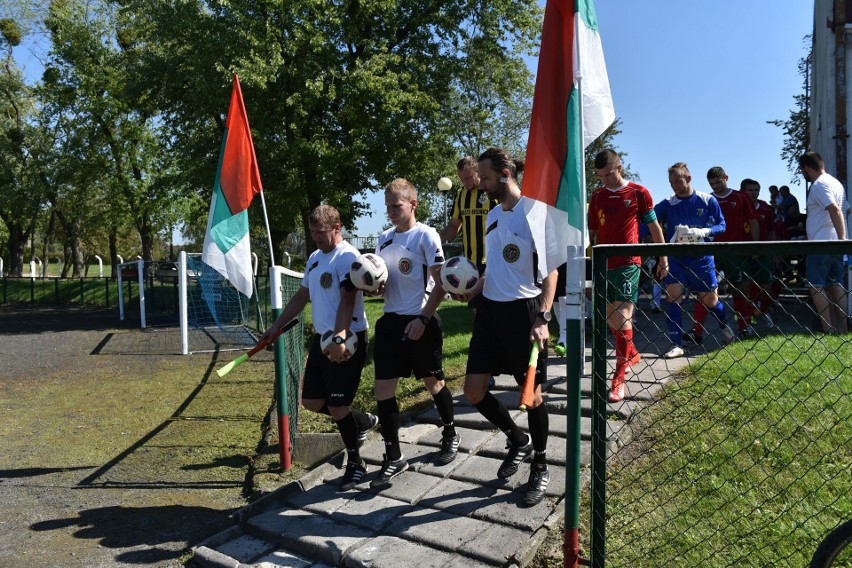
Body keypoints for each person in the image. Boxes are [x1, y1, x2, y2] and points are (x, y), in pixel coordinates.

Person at [454, 147, 556, 507]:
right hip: (490, 314)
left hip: (523, 314)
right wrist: (472, 289)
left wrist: (543, 317)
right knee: (474, 392)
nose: (479, 182)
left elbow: (551, 271)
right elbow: (492, 268)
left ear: (505, 174)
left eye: (483, 176)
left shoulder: (536, 213)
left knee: (532, 396)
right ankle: (517, 439)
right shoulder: (493, 215)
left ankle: (541, 466)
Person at [259, 205, 378, 492]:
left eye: (321, 232)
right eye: (312, 232)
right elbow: (303, 296)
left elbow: (348, 300)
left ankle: (356, 463)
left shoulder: (348, 257)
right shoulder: (314, 258)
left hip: (346, 339)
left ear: (337, 229)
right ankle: (361, 421)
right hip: (322, 339)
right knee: (311, 402)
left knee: (337, 405)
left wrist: (339, 336)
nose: (316, 238)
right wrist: (276, 326)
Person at [370, 178, 458, 488]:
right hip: (391, 322)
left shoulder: (426, 235)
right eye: (388, 207)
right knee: (383, 392)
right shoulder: (383, 238)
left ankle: (450, 431)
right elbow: (383, 281)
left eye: (397, 205)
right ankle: (393, 457)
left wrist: (423, 318)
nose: (392, 211)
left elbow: (442, 283)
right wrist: (377, 285)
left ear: (413, 205)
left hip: (422, 320)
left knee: (433, 383)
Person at [588, 149, 667, 402]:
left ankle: (618, 377)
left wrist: (663, 257)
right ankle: (631, 354)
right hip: (603, 265)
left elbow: (654, 226)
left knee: (622, 320)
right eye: (600, 176)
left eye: (609, 174)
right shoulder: (597, 196)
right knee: (614, 321)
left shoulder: (638, 193)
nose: (605, 180)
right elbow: (591, 233)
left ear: (619, 168)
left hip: (629, 264)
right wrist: (589, 262)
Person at [654, 162, 733, 358]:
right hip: (677, 259)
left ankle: (725, 327)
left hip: (702, 259)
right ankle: (676, 343)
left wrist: (704, 232)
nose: (674, 186)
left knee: (710, 300)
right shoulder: (667, 203)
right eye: (671, 182)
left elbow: (722, 225)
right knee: (672, 296)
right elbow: (648, 222)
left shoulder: (707, 200)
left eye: (678, 181)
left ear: (688, 179)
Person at [702, 167, 760, 339]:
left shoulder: (741, 197)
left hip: (737, 251)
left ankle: (745, 326)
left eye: (718, 182)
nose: (716, 186)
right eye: (712, 184)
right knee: (705, 289)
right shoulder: (707, 199)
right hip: (713, 251)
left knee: (740, 289)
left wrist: (756, 245)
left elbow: (753, 221)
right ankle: (697, 331)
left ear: (726, 178)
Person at [799, 152, 849, 333]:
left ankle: (827, 329)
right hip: (834, 243)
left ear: (806, 168)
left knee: (816, 285)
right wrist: (840, 240)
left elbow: (835, 210)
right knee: (835, 284)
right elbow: (846, 209)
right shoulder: (836, 183)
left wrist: (841, 239)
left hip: (822, 243)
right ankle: (842, 329)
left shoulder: (819, 184)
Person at [439, 156, 499, 274]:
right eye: (462, 179)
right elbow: (454, 225)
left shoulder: (492, 191)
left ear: (478, 172)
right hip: (469, 263)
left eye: (468, 178)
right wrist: (435, 241)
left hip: (494, 261)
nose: (465, 182)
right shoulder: (461, 195)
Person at [740, 178, 778, 329]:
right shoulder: (738, 207)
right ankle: (746, 317)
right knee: (744, 286)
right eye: (750, 190)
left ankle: (763, 311)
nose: (754, 193)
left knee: (766, 285)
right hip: (743, 253)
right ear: (743, 191)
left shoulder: (765, 208)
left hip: (763, 253)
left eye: (756, 190)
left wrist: (773, 251)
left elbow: (771, 231)